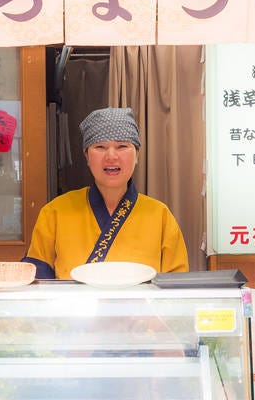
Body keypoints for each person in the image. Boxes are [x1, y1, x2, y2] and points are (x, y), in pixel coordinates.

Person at [22, 107, 189, 279]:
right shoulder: (55, 212)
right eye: (100, 147)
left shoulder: (160, 216)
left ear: (137, 154)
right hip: (74, 307)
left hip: (142, 307)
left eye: (122, 146)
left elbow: (176, 286)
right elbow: (38, 281)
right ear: (86, 155)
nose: (111, 156)